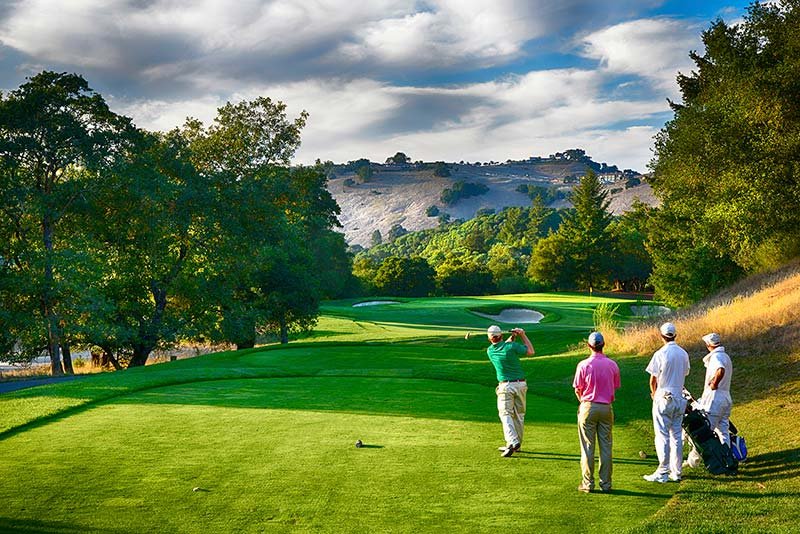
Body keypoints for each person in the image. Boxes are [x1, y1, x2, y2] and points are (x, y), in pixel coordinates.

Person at [573, 331, 621, 493]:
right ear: (603, 345)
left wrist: (583, 403)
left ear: (589, 346)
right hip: (606, 407)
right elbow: (614, 387)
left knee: (588, 447)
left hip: (588, 406)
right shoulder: (612, 364)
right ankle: (606, 484)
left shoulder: (583, 365)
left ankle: (588, 484)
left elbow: (578, 390)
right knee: (606, 447)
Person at [643, 322, 690, 483]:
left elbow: (653, 380)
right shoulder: (683, 353)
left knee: (662, 435)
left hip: (663, 395)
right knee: (676, 435)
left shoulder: (660, 353)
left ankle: (662, 471)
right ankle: (676, 472)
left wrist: (654, 394)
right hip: (679, 396)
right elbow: (685, 373)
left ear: (662, 336)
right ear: (675, 335)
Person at [685, 332, 733, 468]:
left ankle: (694, 461)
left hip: (715, 399)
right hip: (726, 398)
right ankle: (727, 460)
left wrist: (714, 383)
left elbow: (720, 370)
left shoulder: (716, 357)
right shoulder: (725, 356)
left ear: (708, 345)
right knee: (723, 431)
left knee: (704, 432)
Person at [486, 325, 534, 457]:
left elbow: (503, 346)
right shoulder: (511, 347)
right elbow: (530, 351)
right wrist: (522, 334)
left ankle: (513, 442)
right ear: (500, 335)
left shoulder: (490, 351)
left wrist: (513, 337)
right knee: (519, 415)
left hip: (506, 386)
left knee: (505, 414)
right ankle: (516, 444)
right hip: (521, 384)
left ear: (490, 339)